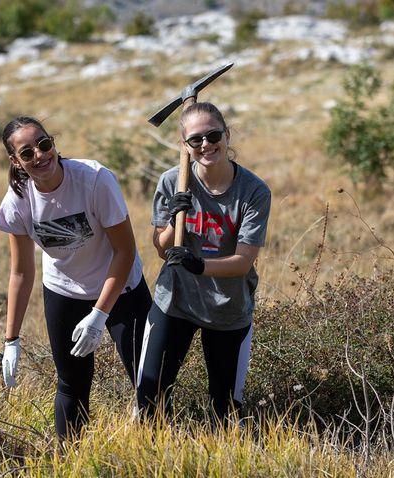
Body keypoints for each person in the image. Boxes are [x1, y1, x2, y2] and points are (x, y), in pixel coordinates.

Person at [0, 116, 152, 439]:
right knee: (71, 383)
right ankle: (68, 457)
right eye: (27, 153)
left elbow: (124, 251)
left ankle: (157, 450)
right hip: (64, 291)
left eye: (44, 144)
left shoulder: (94, 180)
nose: (39, 155)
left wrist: (99, 314)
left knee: (148, 379)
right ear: (15, 161)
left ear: (54, 143)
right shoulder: (18, 202)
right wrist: (11, 340)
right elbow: (22, 272)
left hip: (121, 287)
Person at [135, 102, 271, 424]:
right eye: (196, 140)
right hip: (176, 300)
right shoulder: (173, 182)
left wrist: (200, 265)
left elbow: (242, 262)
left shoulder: (253, 191)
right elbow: (161, 248)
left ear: (227, 134)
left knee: (224, 408)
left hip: (227, 308)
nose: (206, 145)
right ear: (184, 145)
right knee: (150, 399)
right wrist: (173, 220)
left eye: (213, 135)